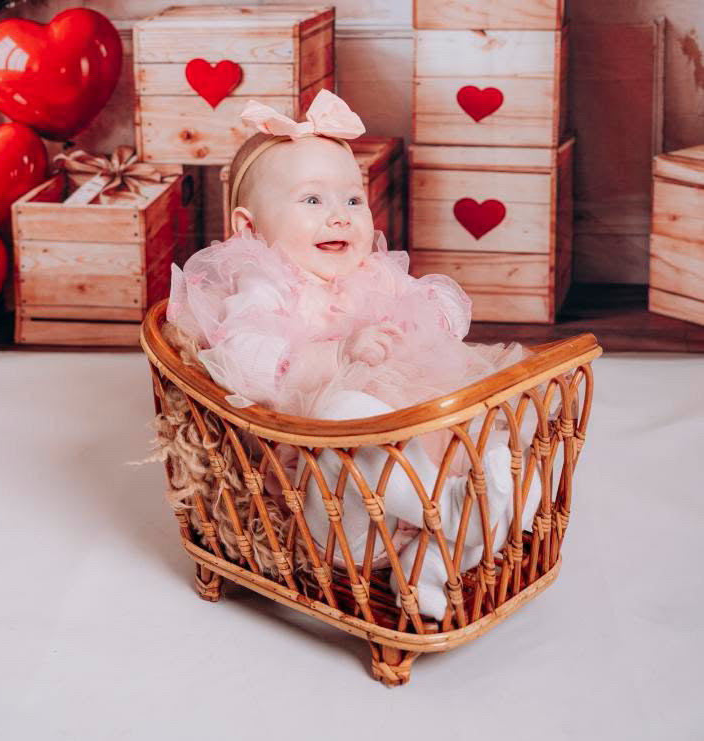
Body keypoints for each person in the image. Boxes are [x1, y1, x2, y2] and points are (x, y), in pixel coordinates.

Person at [166, 89, 541, 620]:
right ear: (250, 228)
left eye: (352, 200)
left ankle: (432, 562)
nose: (340, 217)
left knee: (508, 442)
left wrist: (422, 318)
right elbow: (242, 360)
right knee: (343, 415)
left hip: (412, 483)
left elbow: (443, 321)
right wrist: (339, 352)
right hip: (336, 513)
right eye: (313, 201)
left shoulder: (374, 277)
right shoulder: (261, 287)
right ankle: (449, 512)